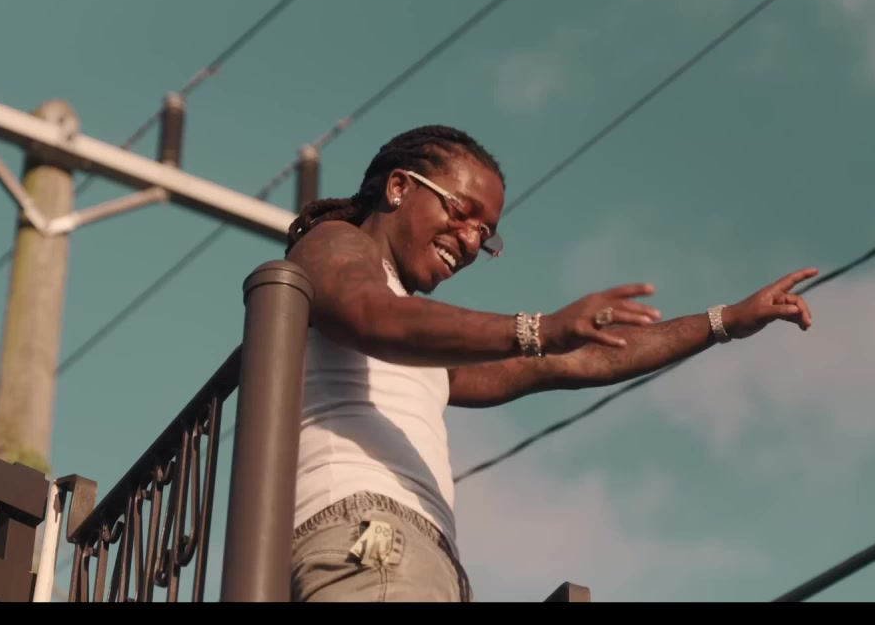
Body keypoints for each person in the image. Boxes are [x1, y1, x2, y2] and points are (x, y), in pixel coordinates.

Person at [282, 124, 816, 603]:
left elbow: (579, 360)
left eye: (484, 234)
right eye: (461, 212)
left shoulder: (422, 349)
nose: (469, 242)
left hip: (420, 551)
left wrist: (724, 322)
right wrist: (539, 328)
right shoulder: (336, 245)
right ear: (399, 187)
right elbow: (369, 314)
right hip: (368, 531)